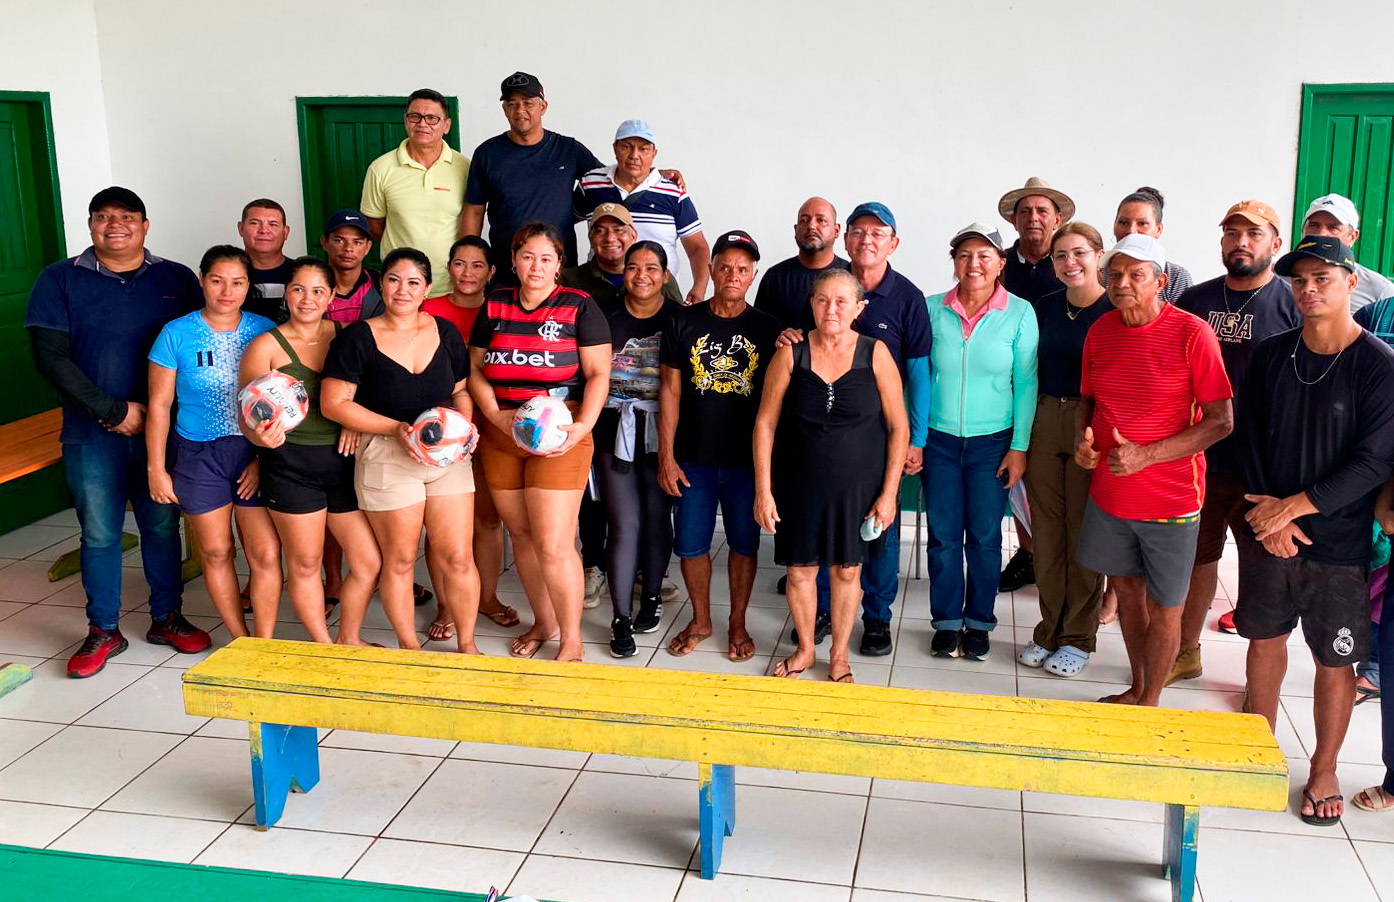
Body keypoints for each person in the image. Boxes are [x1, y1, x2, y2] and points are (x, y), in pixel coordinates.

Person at [1236, 235, 1394, 826]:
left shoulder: (1378, 365)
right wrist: (1267, 517)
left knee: (1335, 658)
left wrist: (1294, 509)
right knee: (1264, 639)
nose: (1308, 289)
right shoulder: (1271, 355)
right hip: (1268, 528)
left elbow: (1374, 461)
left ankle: (1324, 768)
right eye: (1299, 280)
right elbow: (1248, 437)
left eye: (1322, 278)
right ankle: (1255, 752)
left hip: (1339, 541)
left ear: (1351, 282)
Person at [25, 186, 210, 678]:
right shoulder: (59, 279)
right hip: (92, 433)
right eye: (103, 216)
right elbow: (50, 358)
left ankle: (166, 617)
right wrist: (111, 410)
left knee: (161, 525)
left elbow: (199, 342)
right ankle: (103, 629)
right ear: (90, 225)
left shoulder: (175, 278)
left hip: (160, 432)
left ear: (145, 226)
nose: (116, 225)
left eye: (127, 216)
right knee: (101, 533)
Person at [1073, 233, 1233, 707]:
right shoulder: (1100, 331)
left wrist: (1147, 455)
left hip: (1171, 499)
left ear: (1161, 282)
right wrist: (1083, 443)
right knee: (1126, 591)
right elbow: (1088, 402)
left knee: (1167, 607)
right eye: (1115, 274)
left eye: (1136, 275)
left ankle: (1150, 703)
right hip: (1110, 494)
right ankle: (1139, 688)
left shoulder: (1192, 334)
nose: (1122, 283)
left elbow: (1221, 421)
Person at [779, 202, 931, 655]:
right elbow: (800, 342)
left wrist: (917, 438)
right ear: (845, 239)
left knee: (876, 534)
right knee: (827, 540)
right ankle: (823, 614)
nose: (867, 240)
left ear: (893, 243)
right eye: (859, 231)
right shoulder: (827, 286)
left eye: (878, 233)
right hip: (819, 443)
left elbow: (919, 373)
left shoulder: (908, 298)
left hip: (876, 443)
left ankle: (877, 617)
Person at [321, 247, 480, 652]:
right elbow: (333, 403)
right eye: (393, 280)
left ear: (427, 289)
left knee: (458, 557)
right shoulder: (358, 337)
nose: (403, 290)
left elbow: (461, 392)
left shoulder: (445, 333)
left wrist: (465, 429)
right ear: (381, 284)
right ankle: (410, 648)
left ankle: (468, 646)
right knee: (401, 559)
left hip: (446, 458)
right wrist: (396, 429)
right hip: (386, 456)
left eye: (413, 282)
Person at [754, 269, 908, 682]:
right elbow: (765, 424)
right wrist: (763, 491)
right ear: (812, 305)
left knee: (847, 571)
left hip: (858, 488)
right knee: (800, 570)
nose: (831, 310)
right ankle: (806, 649)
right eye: (822, 300)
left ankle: (838, 655)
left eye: (842, 301)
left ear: (859, 308)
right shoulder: (791, 354)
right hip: (797, 486)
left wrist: (889, 493)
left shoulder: (875, 353)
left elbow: (899, 427)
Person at [467, 223, 611, 662]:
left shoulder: (579, 306)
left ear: (559, 264)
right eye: (527, 256)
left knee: (553, 543)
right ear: (514, 260)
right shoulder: (495, 304)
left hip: (561, 434)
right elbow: (475, 369)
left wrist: (582, 426)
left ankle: (571, 639)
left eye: (546, 258)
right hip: (503, 432)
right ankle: (544, 622)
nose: (536, 266)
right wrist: (494, 415)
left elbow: (598, 374)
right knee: (522, 536)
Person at [1172, 200, 1297, 673]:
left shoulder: (1292, 303)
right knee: (1195, 561)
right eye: (1232, 233)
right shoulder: (1195, 300)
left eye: (1254, 234)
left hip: (1260, 469)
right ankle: (1185, 654)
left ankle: (1257, 683)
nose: (1241, 242)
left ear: (1275, 243)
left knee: (1263, 575)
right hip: (1198, 460)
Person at [238, 256, 381, 645]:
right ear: (287, 292)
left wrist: (352, 419)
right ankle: (324, 645)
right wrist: (260, 440)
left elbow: (374, 391)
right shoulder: (266, 345)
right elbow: (246, 415)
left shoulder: (350, 335)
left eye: (318, 291)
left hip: (343, 466)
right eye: (298, 289)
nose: (307, 299)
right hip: (290, 468)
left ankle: (349, 638)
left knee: (368, 561)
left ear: (332, 295)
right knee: (305, 564)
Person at [145, 245, 281, 639]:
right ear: (202, 280)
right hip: (197, 454)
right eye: (218, 281)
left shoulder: (264, 330)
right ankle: (241, 639)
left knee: (265, 553)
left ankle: (264, 641)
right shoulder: (176, 333)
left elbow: (281, 401)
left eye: (237, 282)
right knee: (217, 551)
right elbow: (159, 406)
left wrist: (262, 459)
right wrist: (156, 468)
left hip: (252, 452)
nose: (227, 291)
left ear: (248, 285)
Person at [916, 223, 1038, 661]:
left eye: (985, 255)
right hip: (940, 442)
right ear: (954, 262)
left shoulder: (1020, 312)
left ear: (1001, 263)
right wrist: (916, 437)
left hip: (993, 443)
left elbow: (1026, 383)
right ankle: (947, 622)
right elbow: (918, 376)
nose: (974, 264)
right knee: (943, 536)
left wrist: (1019, 447)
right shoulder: (931, 309)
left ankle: (980, 622)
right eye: (965, 255)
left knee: (985, 538)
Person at [660, 231, 780, 660]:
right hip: (693, 459)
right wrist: (667, 456)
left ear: (753, 275)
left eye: (742, 269)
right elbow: (669, 391)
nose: (733, 275)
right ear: (710, 270)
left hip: (747, 463)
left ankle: (737, 623)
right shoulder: (683, 321)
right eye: (725, 267)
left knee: (744, 544)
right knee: (692, 544)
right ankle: (701, 620)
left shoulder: (767, 328)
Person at [1017, 223, 1110, 676]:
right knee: (1047, 532)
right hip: (1044, 417)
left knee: (1082, 532)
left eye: (1079, 253)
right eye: (1060, 256)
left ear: (1098, 255)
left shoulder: (1113, 309)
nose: (1069, 263)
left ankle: (1078, 636)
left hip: (1090, 422)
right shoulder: (1046, 307)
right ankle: (1048, 629)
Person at [419, 236, 519, 639]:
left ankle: (487, 598)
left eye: (478, 265)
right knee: (440, 527)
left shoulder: (502, 310)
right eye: (459, 263)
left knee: (487, 520)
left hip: (492, 429)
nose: (467, 273)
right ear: (449, 267)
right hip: (441, 433)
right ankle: (446, 604)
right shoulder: (428, 309)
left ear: (491, 272)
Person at [595, 241, 682, 656]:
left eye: (651, 268)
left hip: (665, 431)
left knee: (657, 516)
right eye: (633, 267)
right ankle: (620, 617)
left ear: (665, 275)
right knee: (624, 522)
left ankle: (651, 595)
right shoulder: (602, 315)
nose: (641, 275)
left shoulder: (679, 318)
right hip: (614, 429)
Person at [996, 177, 1074, 594]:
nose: (1033, 218)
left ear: (1057, 219)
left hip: (1059, 390)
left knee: (1053, 485)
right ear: (1014, 220)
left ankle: (1061, 561)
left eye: (1042, 210)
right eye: (1025, 211)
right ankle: (1028, 554)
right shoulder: (999, 266)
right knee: (1017, 481)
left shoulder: (1068, 264)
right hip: (1007, 390)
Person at [459, 73, 603, 280]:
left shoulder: (569, 150)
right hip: (505, 270)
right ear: (504, 109)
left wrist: (576, 213)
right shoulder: (487, 153)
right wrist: (468, 260)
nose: (520, 110)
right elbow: (474, 210)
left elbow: (604, 182)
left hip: (559, 271)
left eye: (528, 103)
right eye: (512, 104)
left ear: (543, 107)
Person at [575, 119, 710, 304]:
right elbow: (563, 220)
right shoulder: (591, 184)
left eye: (644, 149)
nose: (634, 155)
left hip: (658, 297)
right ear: (615, 149)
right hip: (600, 292)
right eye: (626, 147)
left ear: (654, 153)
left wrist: (699, 289)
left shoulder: (672, 192)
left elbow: (697, 247)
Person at [361, 89, 468, 286]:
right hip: (400, 287)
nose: (422, 124)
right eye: (415, 117)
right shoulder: (380, 168)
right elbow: (375, 226)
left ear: (446, 125)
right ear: (406, 121)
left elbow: (472, 219)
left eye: (432, 118)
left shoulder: (465, 168)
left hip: (452, 285)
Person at [753, 196, 849, 332]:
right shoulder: (775, 277)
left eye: (821, 220)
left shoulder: (850, 274)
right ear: (795, 230)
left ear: (837, 230)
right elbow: (758, 333)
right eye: (804, 220)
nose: (811, 226)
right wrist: (780, 338)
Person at [559, 203, 683, 309]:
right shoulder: (569, 280)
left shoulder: (657, 277)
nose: (610, 238)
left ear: (633, 236)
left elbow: (681, 321)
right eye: (600, 231)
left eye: (618, 230)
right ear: (590, 239)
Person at [1301, 193, 1394, 311]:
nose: (1321, 234)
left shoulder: (1381, 291)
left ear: (1352, 237)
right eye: (1314, 225)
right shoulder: (1283, 278)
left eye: (1333, 228)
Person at [1112, 187, 1193, 304]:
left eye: (1142, 223)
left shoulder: (1176, 277)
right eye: (1123, 222)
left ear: (1158, 230)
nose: (1131, 231)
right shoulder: (1099, 272)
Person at [320, 209, 384, 323]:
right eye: (339, 241)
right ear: (325, 242)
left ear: (368, 247)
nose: (348, 248)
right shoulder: (309, 286)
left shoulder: (380, 284)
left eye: (357, 242)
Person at [237, 198, 294, 323]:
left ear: (285, 232)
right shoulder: (227, 275)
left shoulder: (300, 273)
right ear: (241, 228)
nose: (263, 230)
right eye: (254, 223)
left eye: (273, 224)